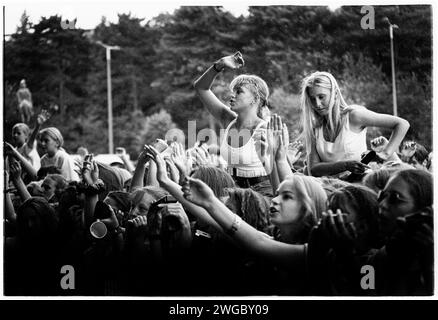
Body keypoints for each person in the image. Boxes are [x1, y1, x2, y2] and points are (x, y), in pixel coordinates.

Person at [300, 71, 410, 177]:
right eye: (312, 99)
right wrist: (345, 165)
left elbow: (402, 124)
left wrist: (385, 153)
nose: (317, 104)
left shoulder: (354, 116)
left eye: (321, 97)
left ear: (335, 94)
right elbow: (314, 169)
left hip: (360, 183)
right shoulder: (315, 129)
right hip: (330, 188)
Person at [193, 51, 272, 196]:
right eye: (233, 91)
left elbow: (279, 171)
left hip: (262, 194)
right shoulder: (227, 119)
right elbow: (200, 88)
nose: (232, 95)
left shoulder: (265, 129)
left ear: (255, 99)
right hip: (232, 191)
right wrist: (220, 64)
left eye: (239, 92)